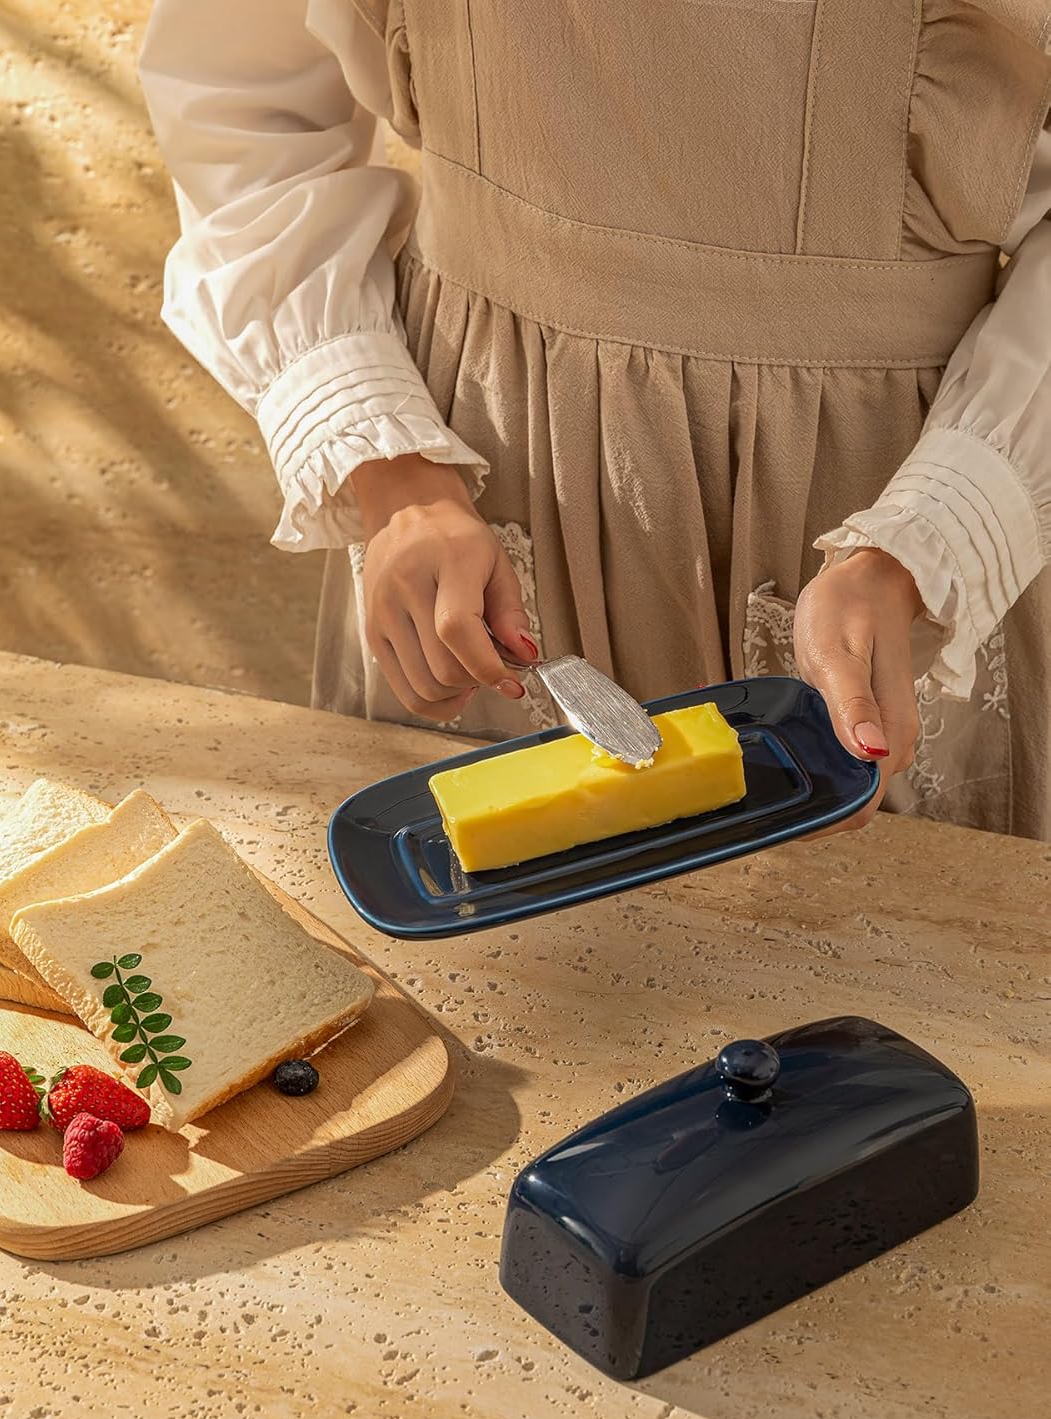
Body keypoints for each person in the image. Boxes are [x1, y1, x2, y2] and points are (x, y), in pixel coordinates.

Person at [137, 0, 1051, 839]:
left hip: (889, 513)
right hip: (468, 476)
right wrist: (388, 466)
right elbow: (237, 92)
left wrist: (934, 540)